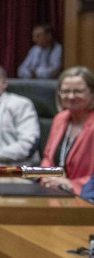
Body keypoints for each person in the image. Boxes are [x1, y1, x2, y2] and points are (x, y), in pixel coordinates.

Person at [39, 66, 94, 195]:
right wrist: (47, 177)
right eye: (65, 91)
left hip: (86, 198)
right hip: (54, 191)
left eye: (78, 91)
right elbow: (48, 158)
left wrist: (70, 185)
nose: (71, 96)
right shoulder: (60, 119)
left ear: (91, 92)